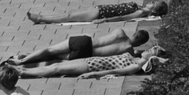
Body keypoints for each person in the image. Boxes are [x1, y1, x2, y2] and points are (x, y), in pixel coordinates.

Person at [10, 27, 150, 67]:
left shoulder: (120, 32)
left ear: (135, 33)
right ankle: (25, 60)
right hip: (87, 54)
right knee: (53, 56)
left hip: (85, 42)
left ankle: (23, 58)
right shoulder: (129, 51)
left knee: (50, 50)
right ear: (140, 43)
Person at [13, 47, 166, 80]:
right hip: (92, 61)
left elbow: (116, 73)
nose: (149, 48)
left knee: (56, 68)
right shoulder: (136, 58)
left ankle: (23, 72)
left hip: (92, 67)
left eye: (152, 50)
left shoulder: (136, 66)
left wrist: (92, 74)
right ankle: (22, 68)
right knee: (57, 66)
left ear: (151, 59)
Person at [27, 0, 167, 24]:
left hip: (101, 14)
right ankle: (42, 17)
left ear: (154, 11)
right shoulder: (141, 8)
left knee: (69, 16)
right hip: (101, 9)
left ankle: (40, 18)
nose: (152, 2)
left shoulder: (140, 13)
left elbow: (123, 18)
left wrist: (104, 19)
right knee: (69, 14)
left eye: (154, 4)